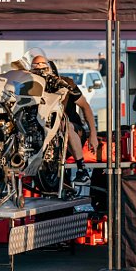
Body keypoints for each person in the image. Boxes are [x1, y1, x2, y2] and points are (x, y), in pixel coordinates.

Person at [30, 55, 98, 185]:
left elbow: (85, 106)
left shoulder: (65, 83)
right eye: (36, 69)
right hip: (46, 134)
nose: (40, 72)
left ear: (50, 69)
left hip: (72, 130)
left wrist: (93, 135)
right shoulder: (30, 88)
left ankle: (81, 169)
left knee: (62, 124)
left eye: (43, 68)